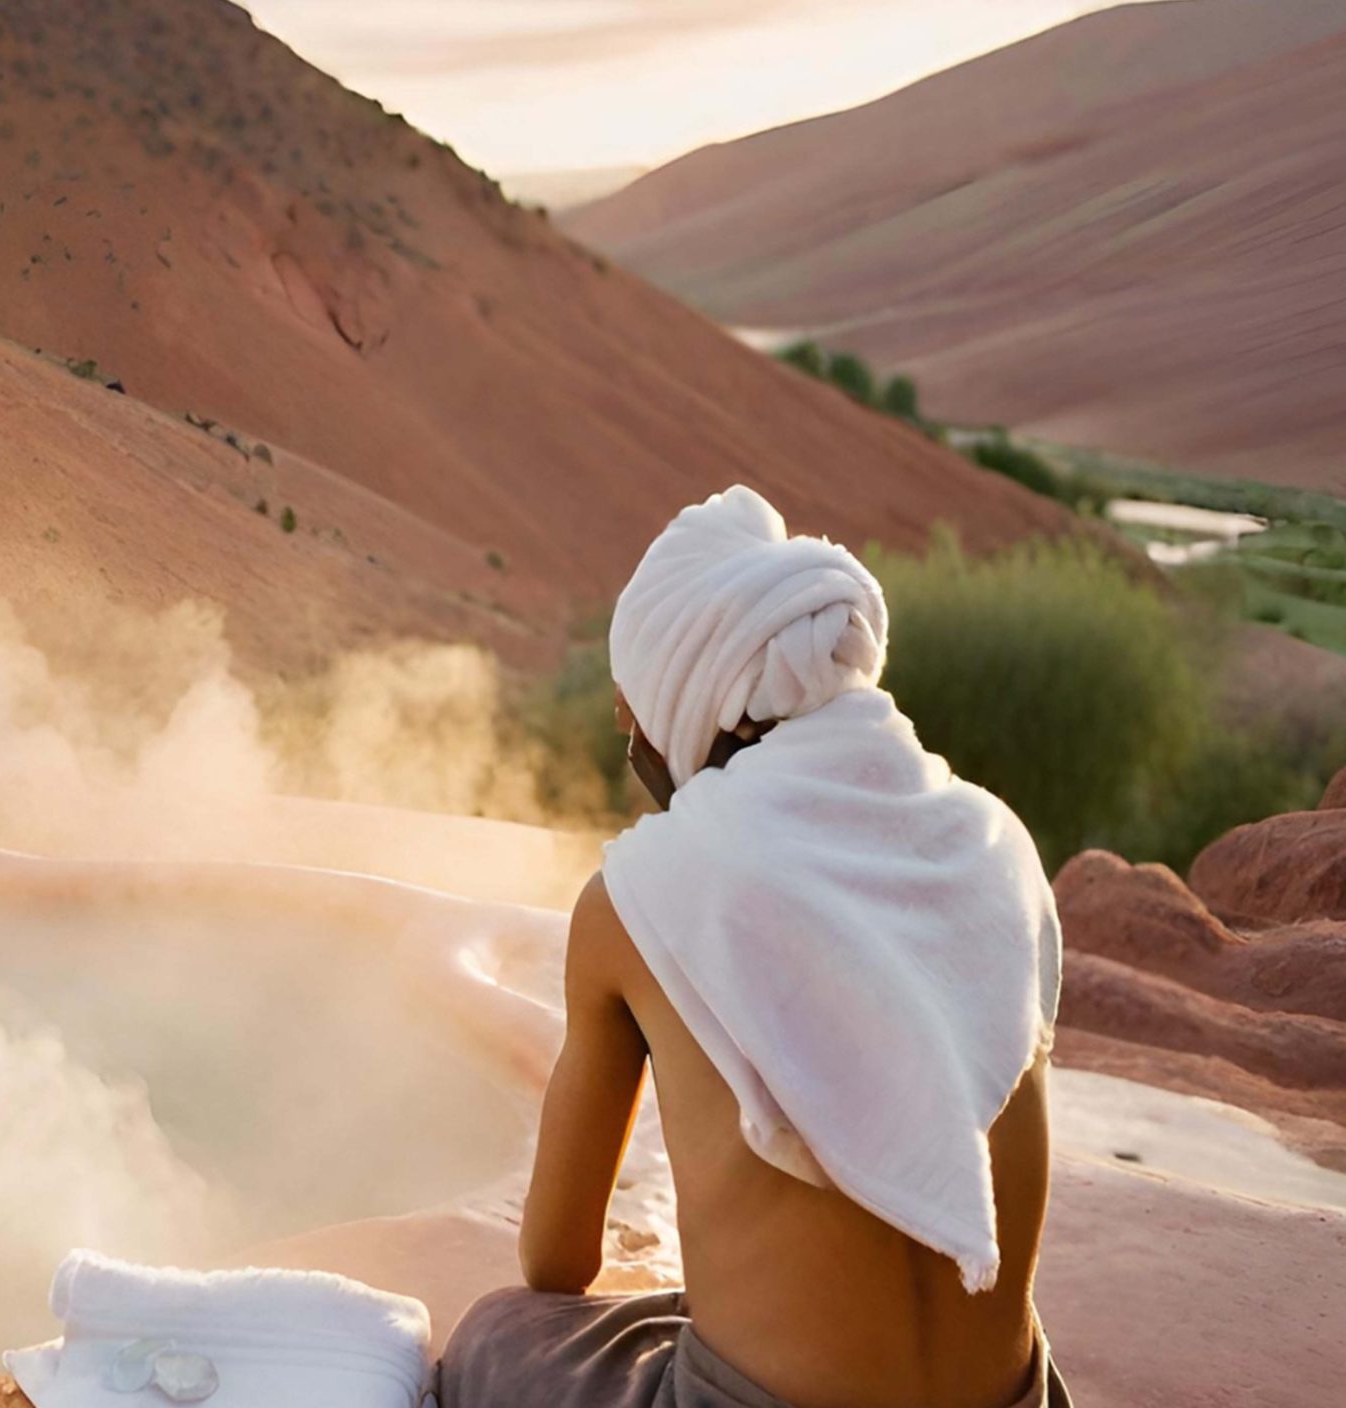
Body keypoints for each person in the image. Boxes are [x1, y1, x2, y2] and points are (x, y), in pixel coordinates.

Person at [436, 485, 1070, 1408]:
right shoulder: (996, 845)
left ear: (690, 694)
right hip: (1014, 1399)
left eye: (634, 711)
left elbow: (556, 1260)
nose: (631, 738)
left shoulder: (640, 894)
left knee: (501, 1333)